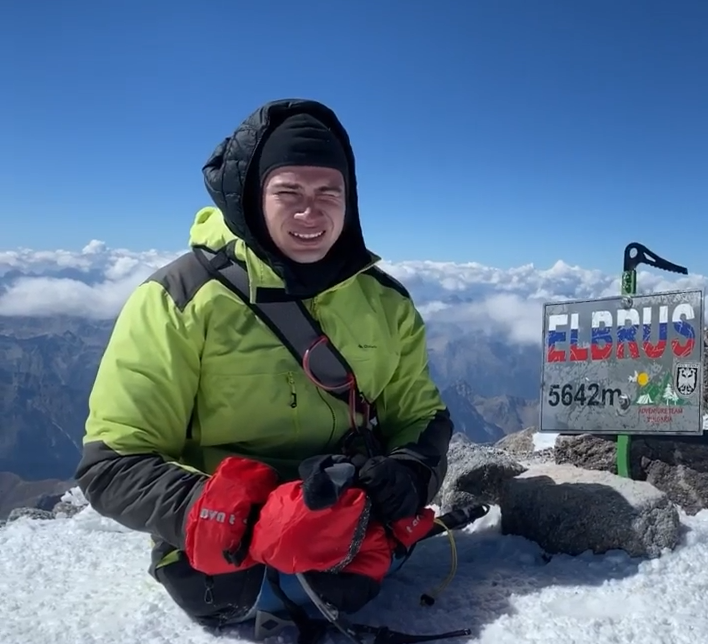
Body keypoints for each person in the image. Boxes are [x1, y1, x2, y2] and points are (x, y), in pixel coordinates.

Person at [75, 98, 454, 631]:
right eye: (288, 192)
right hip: (227, 559)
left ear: (352, 201)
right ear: (251, 196)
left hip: (349, 532)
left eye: (329, 193)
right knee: (245, 583)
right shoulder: (182, 299)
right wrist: (228, 512)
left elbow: (422, 418)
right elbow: (112, 461)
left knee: (337, 577)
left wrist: (411, 473)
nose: (311, 212)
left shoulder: (387, 305)